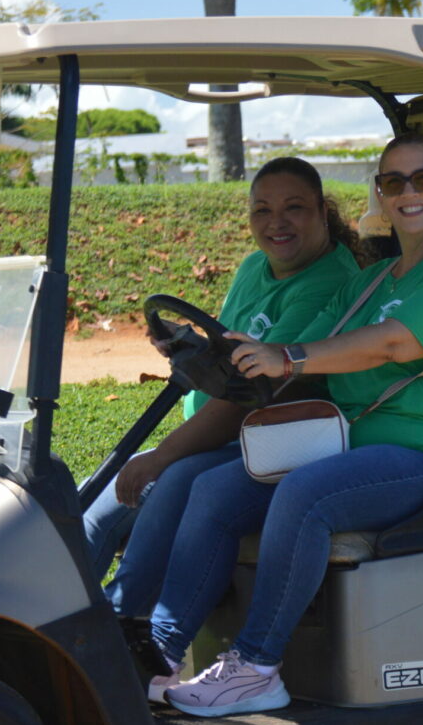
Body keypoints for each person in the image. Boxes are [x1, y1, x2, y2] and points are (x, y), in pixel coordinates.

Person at [147, 132, 423, 717]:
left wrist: (288, 357)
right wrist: (220, 350)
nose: (408, 192)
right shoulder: (372, 281)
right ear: (380, 194)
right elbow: (304, 346)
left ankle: (256, 668)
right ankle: (158, 653)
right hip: (354, 447)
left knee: (305, 493)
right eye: (393, 181)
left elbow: (390, 345)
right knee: (215, 487)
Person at [83, 157, 361, 617]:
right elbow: (229, 349)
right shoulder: (256, 267)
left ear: (322, 212)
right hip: (218, 439)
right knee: (89, 505)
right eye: (262, 211)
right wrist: (188, 345)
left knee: (169, 482)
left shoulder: (330, 281)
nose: (276, 223)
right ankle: (49, 623)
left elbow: (248, 396)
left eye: (294, 208)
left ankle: (122, 623)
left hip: (268, 440)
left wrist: (163, 455)